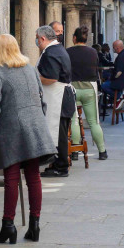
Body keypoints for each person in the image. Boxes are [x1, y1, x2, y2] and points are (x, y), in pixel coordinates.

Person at [0, 34, 54, 244]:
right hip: (35, 127)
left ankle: (8, 226)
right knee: (33, 177)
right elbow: (42, 100)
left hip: (11, 130)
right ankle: (34, 225)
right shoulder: (31, 68)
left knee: (11, 179)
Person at [36, 25, 74, 178]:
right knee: (58, 132)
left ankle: (61, 167)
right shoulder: (57, 49)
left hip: (58, 98)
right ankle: (56, 164)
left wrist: (35, 79)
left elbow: (51, 78)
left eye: (37, 38)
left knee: (59, 134)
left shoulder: (51, 52)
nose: (37, 42)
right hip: (61, 96)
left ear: (43, 38)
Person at [67, 27, 108, 160]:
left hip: (73, 87)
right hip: (90, 87)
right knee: (93, 121)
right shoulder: (93, 52)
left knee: (74, 120)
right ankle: (102, 151)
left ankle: (74, 150)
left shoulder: (68, 52)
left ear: (74, 38)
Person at [101, 40, 124, 105]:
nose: (112, 49)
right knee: (107, 80)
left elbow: (118, 73)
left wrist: (112, 78)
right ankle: (114, 98)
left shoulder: (121, 57)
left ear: (117, 48)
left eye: (113, 47)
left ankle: (118, 97)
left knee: (103, 86)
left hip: (122, 81)